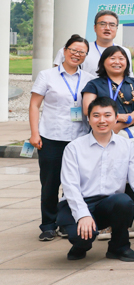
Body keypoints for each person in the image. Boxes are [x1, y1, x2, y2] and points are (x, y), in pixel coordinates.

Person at [58, 97, 134, 262]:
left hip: (108, 204)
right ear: (88, 118)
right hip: (78, 202)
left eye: (107, 115)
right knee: (81, 236)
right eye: (96, 115)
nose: (102, 120)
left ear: (116, 117)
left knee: (124, 201)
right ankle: (81, 245)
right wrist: (83, 215)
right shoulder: (74, 148)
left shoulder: (127, 146)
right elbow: (70, 187)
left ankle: (119, 247)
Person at [81, 46, 134, 238]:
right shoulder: (94, 84)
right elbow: (88, 109)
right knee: (108, 177)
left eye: (121, 58)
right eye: (112, 58)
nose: (117, 62)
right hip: (102, 137)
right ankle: (108, 223)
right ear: (103, 61)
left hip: (132, 137)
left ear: (127, 62)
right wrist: (117, 120)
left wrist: (118, 123)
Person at [30, 35, 95, 241]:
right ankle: (48, 224)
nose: (76, 54)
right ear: (65, 51)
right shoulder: (47, 75)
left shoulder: (88, 79)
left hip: (79, 138)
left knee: (74, 184)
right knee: (50, 183)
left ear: (85, 56)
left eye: (81, 52)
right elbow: (34, 105)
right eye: (73, 50)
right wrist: (34, 133)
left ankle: (67, 222)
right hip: (52, 136)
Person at [54, 10, 131, 74]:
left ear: (116, 28)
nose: (107, 28)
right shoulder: (80, 50)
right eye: (102, 24)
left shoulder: (124, 51)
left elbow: (129, 76)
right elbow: (58, 74)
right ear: (95, 27)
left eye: (112, 25)